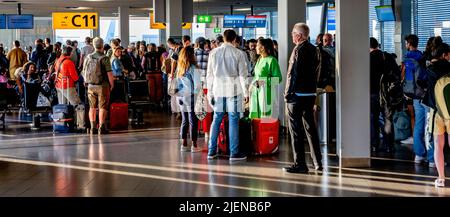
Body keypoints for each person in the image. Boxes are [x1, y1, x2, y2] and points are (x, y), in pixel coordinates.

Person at [283, 23, 322, 173]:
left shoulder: (298, 50)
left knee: (296, 131)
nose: (292, 35)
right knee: (311, 128)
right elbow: (318, 71)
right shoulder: (315, 50)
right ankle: (317, 161)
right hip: (310, 94)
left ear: (299, 36)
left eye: (293, 33)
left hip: (296, 95)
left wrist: (287, 93)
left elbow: (292, 73)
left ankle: (300, 164)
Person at [206, 29, 249, 161]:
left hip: (218, 90)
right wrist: (246, 92)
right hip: (234, 90)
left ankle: (211, 151)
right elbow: (243, 75)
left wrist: (210, 93)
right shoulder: (239, 53)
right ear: (235, 39)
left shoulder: (213, 53)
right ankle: (234, 153)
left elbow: (210, 75)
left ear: (223, 38)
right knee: (233, 119)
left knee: (217, 119)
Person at [401, 34, 428, 164]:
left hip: (414, 94)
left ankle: (419, 154)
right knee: (430, 127)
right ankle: (432, 157)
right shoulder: (422, 57)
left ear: (409, 44)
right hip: (425, 94)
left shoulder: (407, 58)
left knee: (418, 124)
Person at [82, 37, 114, 135]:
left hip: (91, 86)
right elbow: (109, 73)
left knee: (92, 107)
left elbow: (83, 71)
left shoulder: (88, 57)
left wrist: (86, 82)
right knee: (102, 107)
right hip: (102, 86)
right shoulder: (105, 58)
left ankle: (92, 128)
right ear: (102, 45)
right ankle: (101, 127)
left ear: (93, 46)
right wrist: (112, 84)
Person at [430, 43, 450, 187]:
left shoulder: (429, 69)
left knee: (438, 144)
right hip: (449, 111)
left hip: (436, 111)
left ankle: (441, 178)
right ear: (445, 55)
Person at [175, 47, 202, 152]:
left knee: (184, 120)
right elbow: (197, 85)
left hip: (181, 97)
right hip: (190, 96)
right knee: (193, 121)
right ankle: (194, 145)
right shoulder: (193, 68)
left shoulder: (180, 67)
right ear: (191, 55)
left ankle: (184, 144)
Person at [249, 38, 282, 119]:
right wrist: (251, 85)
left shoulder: (272, 60)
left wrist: (262, 81)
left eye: (257, 45)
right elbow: (257, 76)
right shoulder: (259, 59)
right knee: (257, 116)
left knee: (265, 117)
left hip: (266, 93)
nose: (255, 47)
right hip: (256, 92)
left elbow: (278, 78)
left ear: (262, 48)